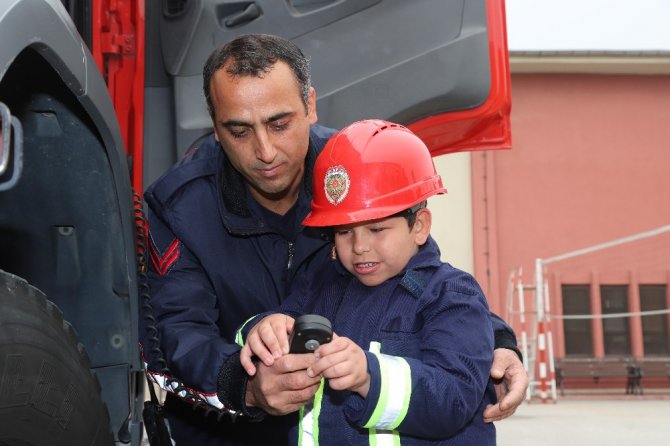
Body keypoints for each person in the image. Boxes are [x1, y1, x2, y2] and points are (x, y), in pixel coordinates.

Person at [140, 33, 527, 445]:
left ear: (310, 105)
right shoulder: (178, 207)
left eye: (279, 123)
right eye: (239, 131)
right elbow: (175, 332)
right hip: (226, 428)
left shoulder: (353, 168)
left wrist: (497, 344)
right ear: (214, 126)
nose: (265, 151)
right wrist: (246, 382)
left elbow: (418, 277)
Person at [239, 119, 497, 445]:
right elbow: (277, 326)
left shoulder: (451, 295)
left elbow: (453, 399)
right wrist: (263, 328)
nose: (359, 246)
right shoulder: (320, 284)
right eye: (344, 232)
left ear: (419, 225)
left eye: (377, 230)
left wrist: (369, 376)